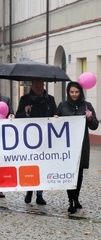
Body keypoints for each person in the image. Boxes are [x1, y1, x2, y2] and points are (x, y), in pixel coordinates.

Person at [56, 81, 98, 213]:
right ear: (68, 92)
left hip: (81, 144)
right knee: (70, 172)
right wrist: (56, 119)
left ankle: (76, 197)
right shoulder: (62, 106)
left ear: (80, 92)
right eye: (71, 92)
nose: (74, 94)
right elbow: (56, 125)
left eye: (76, 92)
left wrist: (90, 119)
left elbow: (95, 125)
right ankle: (71, 199)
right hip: (67, 145)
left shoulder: (87, 106)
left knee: (79, 173)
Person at [15, 79, 57, 205]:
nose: (38, 87)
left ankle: (39, 194)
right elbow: (18, 116)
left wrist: (56, 117)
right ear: (32, 85)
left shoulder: (50, 99)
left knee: (42, 166)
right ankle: (29, 189)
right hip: (29, 139)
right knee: (30, 165)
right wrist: (26, 112)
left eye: (41, 85)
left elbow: (56, 114)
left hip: (45, 138)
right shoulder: (25, 99)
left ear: (44, 85)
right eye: (36, 85)